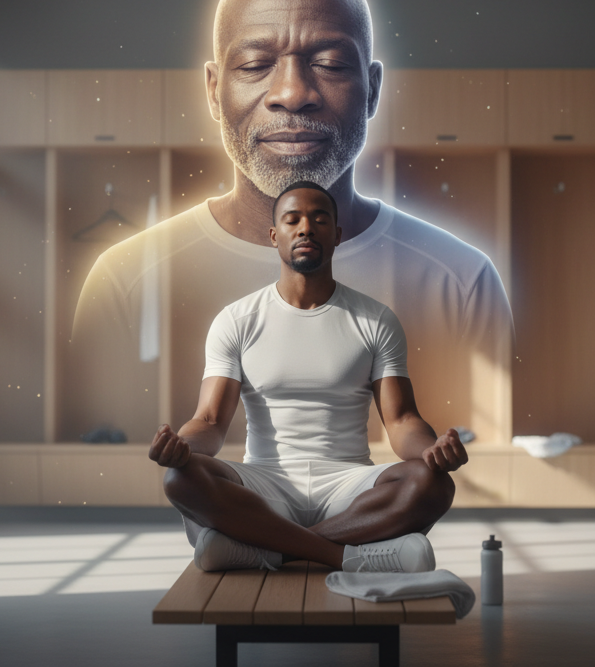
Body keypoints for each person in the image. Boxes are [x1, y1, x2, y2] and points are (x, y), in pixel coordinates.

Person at [66, 0, 511, 461]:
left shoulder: (464, 280)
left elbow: (410, 424)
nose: (292, 93)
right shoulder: (122, 278)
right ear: (214, 91)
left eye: (330, 64)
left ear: (372, 90)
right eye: (255, 65)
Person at [150, 181, 468, 571]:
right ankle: (342, 555)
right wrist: (183, 448)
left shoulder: (376, 319)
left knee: (433, 483)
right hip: (264, 485)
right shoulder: (236, 320)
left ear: (336, 234)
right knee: (179, 479)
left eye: (319, 219)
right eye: (293, 220)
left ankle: (267, 549)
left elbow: (401, 420)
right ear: (274, 236)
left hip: (349, 486)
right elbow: (210, 420)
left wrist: (430, 451)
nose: (306, 228)